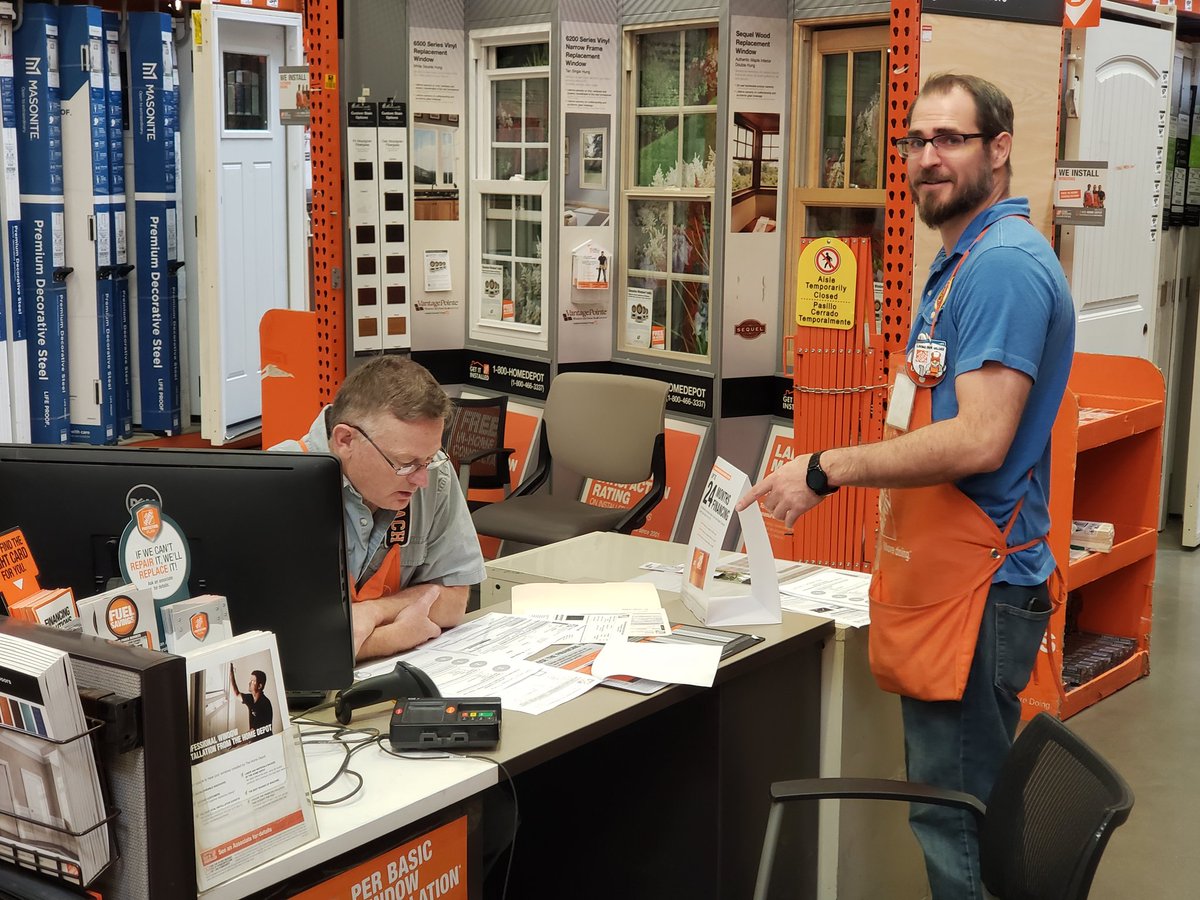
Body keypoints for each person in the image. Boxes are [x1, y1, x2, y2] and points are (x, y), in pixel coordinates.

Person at [738, 73, 1075, 899]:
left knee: (956, 815)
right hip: (948, 582)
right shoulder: (961, 261)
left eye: (950, 140)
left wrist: (827, 469)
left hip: (976, 591)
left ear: (999, 150)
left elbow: (980, 436)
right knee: (960, 804)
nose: (928, 158)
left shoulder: (999, 268)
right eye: (916, 141)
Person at [274, 356, 485, 661]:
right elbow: (271, 640)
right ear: (346, 440)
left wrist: (372, 612)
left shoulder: (432, 470)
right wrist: (393, 636)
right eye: (404, 463)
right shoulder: (276, 482)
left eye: (428, 459)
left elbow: (453, 601)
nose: (421, 479)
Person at [230, 666, 274, 739]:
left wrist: (236, 741)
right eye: (250, 680)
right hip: (254, 738)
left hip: (264, 741)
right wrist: (231, 673)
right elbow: (237, 694)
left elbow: (253, 732)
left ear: (259, 686)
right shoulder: (250, 698)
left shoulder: (265, 704)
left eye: (253, 681)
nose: (249, 683)